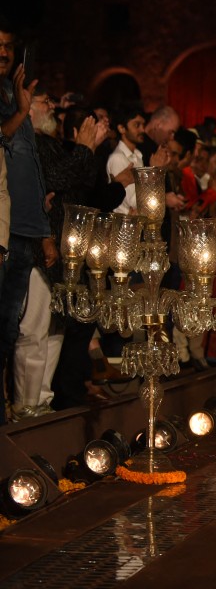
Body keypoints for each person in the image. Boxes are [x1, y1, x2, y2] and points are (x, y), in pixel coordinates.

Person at [0, 21, 57, 424]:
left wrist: (45, 231)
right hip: (4, 230)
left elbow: (29, 168)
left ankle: (15, 409)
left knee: (14, 329)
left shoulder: (9, 89)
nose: (3, 52)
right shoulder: (11, 101)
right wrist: (21, 111)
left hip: (24, 230)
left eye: (8, 46)